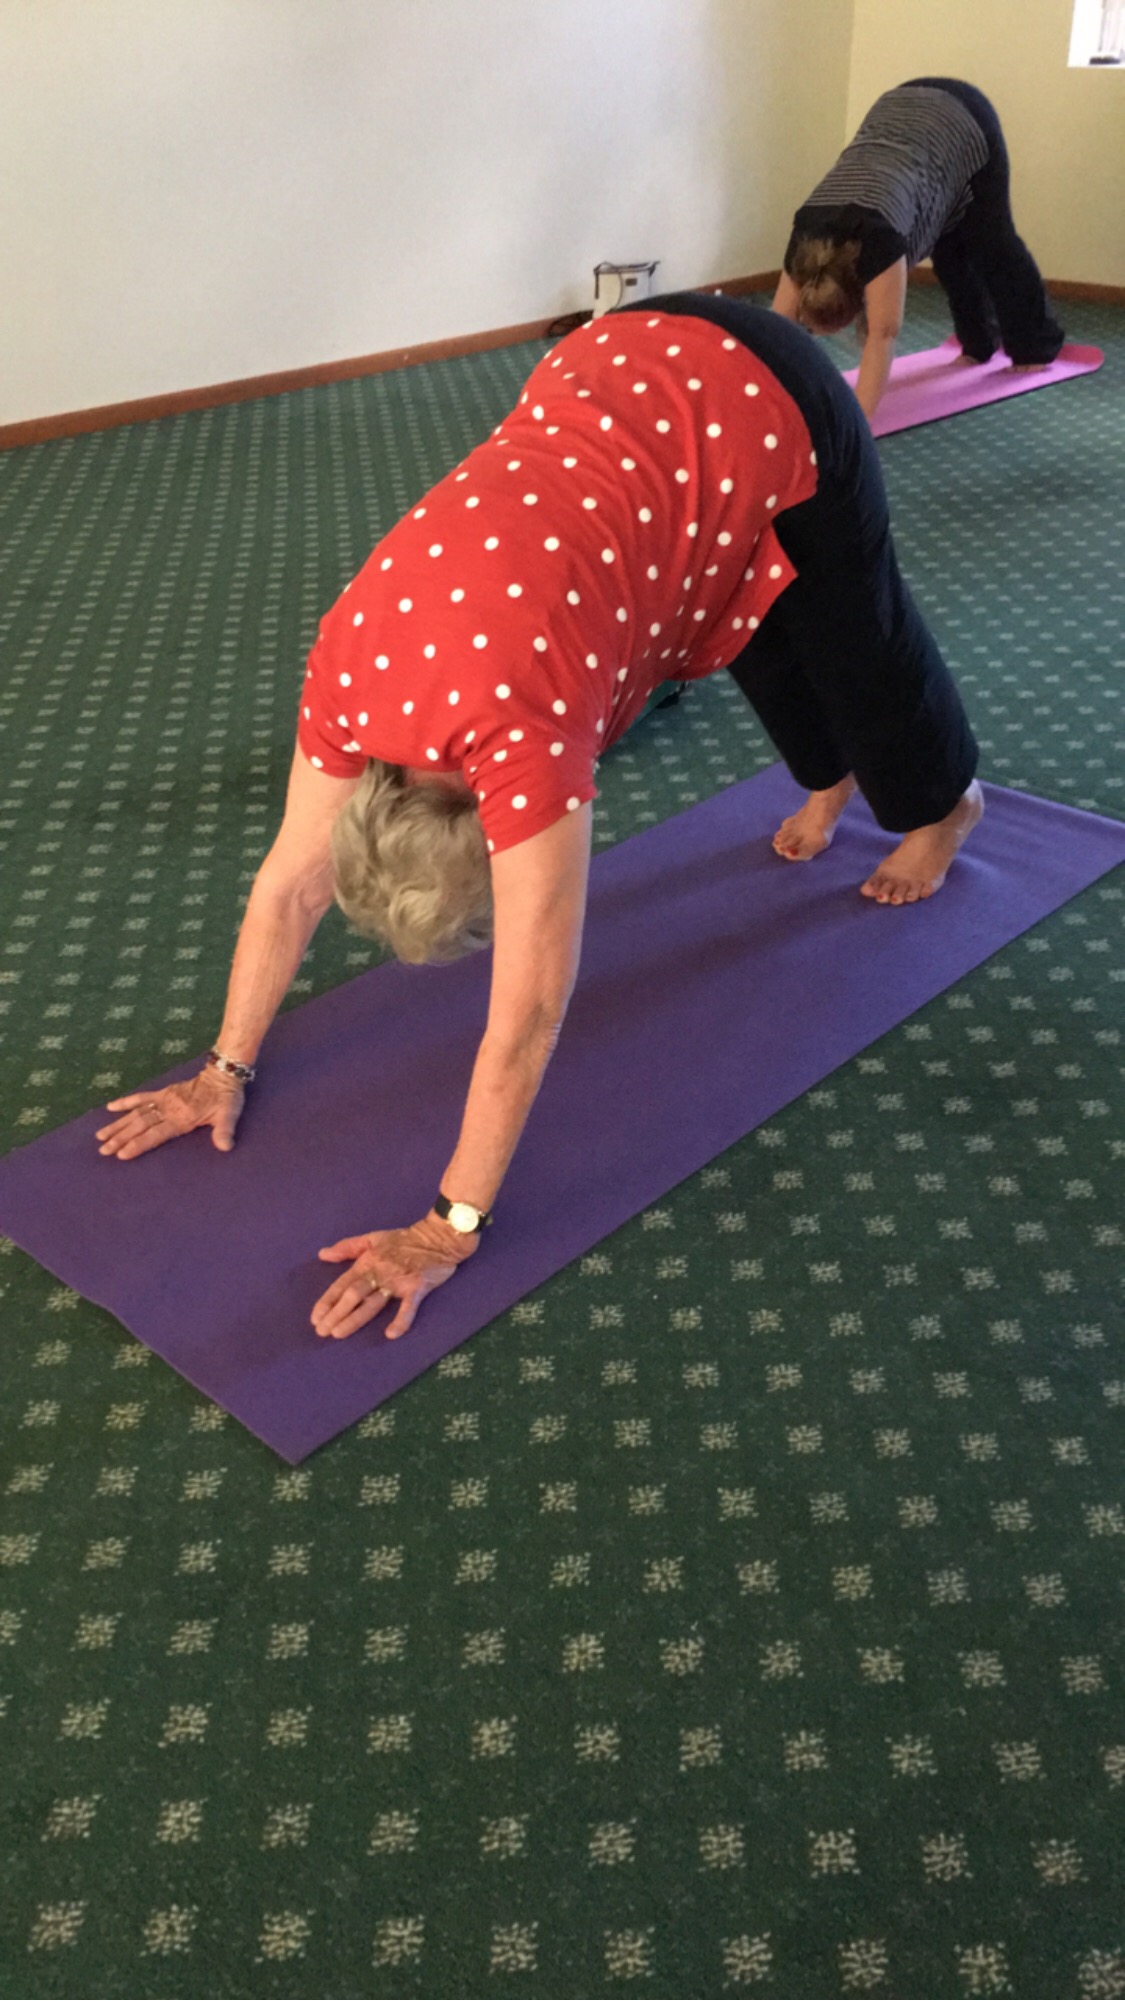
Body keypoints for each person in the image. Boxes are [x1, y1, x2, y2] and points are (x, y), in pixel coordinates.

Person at [95, 295, 982, 1341]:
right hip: (619, 370)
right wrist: (221, 1071)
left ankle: (944, 805)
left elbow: (527, 1015)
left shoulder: (523, 747)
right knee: (750, 614)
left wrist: (449, 1226)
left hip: (767, 395)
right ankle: (827, 777)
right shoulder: (346, 675)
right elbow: (292, 883)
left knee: (852, 624)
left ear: (490, 824)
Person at [773, 78, 1065, 420]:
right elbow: (774, 332)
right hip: (901, 120)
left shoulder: (878, 243)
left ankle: (1034, 346)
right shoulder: (805, 234)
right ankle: (979, 344)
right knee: (949, 252)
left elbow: (882, 335)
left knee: (992, 242)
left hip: (965, 120)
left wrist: (858, 426)